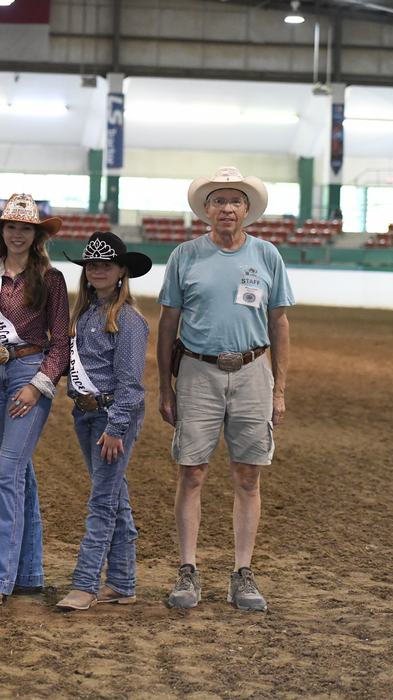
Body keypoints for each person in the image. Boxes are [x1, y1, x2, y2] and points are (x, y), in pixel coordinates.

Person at [158, 166, 294, 612]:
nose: (227, 208)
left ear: (247, 209)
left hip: (254, 371)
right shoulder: (185, 256)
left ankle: (242, 572)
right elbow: (168, 323)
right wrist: (165, 386)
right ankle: (188, 568)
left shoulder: (267, 256)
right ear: (207, 210)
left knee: (247, 474)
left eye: (235, 201)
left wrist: (278, 388)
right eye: (218, 201)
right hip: (198, 372)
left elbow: (279, 322)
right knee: (192, 471)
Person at [0, 193, 69, 607]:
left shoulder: (52, 279)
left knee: (7, 473)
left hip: (28, 373)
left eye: (26, 228)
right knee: (19, 472)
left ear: (36, 234)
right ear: (1, 232)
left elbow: (60, 343)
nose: (18, 233)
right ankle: (29, 573)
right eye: (11, 227)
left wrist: (38, 384)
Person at [55, 232, 152, 611]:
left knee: (101, 501)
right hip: (85, 412)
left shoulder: (128, 319)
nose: (97, 271)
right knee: (114, 497)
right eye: (92, 265)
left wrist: (116, 428)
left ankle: (85, 584)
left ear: (121, 272)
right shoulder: (84, 313)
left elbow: (131, 383)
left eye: (105, 265)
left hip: (112, 417)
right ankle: (123, 582)